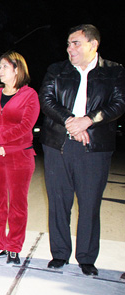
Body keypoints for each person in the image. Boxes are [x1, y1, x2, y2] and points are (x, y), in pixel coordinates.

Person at [40, 24, 125, 276]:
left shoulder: (114, 71)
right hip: (58, 144)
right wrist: (70, 120)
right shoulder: (57, 70)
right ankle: (60, 254)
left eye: (75, 43)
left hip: (95, 148)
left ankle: (86, 258)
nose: (70, 48)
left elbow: (119, 104)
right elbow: (46, 100)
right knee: (58, 202)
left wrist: (88, 120)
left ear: (93, 44)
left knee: (89, 204)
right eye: (68, 44)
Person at [0, 51, 40, 265]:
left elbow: (26, 126)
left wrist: (1, 141)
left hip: (19, 156)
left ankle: (14, 247)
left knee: (17, 203)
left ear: (17, 69)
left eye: (4, 67)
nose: (0, 71)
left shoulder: (29, 95)